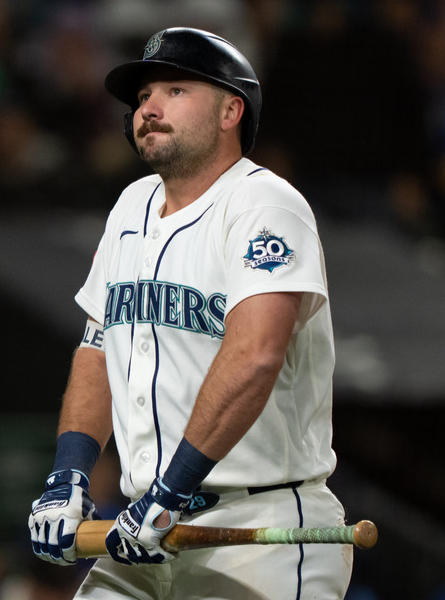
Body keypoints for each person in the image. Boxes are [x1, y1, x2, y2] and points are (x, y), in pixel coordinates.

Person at [27, 27, 352, 599]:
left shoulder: (264, 204)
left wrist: (170, 491)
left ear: (232, 110)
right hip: (144, 527)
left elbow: (255, 356)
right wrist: (69, 473)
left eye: (174, 90)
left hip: (258, 528)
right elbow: (99, 346)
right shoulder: (130, 205)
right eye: (143, 96)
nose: (148, 107)